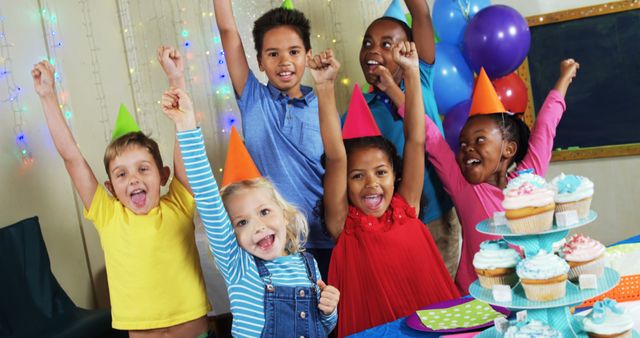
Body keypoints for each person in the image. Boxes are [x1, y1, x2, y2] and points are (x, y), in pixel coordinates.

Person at [32, 61, 210, 338]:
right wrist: (47, 96)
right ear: (111, 188)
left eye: (143, 168)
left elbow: (185, 139)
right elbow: (72, 159)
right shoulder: (108, 214)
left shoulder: (178, 204)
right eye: (121, 174)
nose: (134, 179)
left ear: (163, 175)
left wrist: (177, 79)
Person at [160, 87, 339, 338]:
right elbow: (208, 197)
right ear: (231, 233)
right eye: (242, 221)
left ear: (284, 214)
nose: (258, 226)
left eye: (264, 211)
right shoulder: (239, 266)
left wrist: (329, 310)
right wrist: (186, 124)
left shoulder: (309, 266)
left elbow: (321, 327)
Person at [308, 43, 459, 337]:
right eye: (357, 176)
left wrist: (412, 73)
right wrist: (325, 87)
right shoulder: (343, 224)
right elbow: (337, 156)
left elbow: (416, 138)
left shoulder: (407, 205)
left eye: (381, 173)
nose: (371, 183)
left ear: (395, 174)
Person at [400, 59, 580, 293]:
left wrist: (564, 78)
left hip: (528, 290)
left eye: (480, 140)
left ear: (508, 149)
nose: (467, 148)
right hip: (477, 295)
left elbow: (546, 125)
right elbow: (432, 137)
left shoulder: (529, 179)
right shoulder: (465, 188)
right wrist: (395, 91)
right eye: (463, 143)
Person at [210, 1, 333, 278]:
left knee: (329, 316)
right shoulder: (254, 98)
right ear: (260, 62)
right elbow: (228, 31)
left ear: (308, 55)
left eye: (294, 51)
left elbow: (338, 165)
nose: (284, 61)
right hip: (272, 242)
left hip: (323, 239)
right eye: (273, 54)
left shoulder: (322, 103)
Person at [352, 0, 459, 277]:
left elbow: (420, 12)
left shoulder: (420, 77)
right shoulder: (359, 109)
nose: (373, 50)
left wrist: (392, 87)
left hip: (435, 215)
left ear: (408, 50)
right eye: (367, 43)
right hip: (390, 225)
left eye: (387, 44)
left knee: (442, 304)